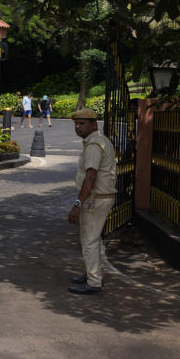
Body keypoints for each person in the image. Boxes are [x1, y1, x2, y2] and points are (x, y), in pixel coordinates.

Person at [67, 108, 117, 294]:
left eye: (82, 124)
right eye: (76, 124)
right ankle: (91, 273)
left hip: (96, 199)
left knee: (89, 240)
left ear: (94, 125)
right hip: (98, 197)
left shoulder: (95, 145)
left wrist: (78, 204)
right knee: (88, 238)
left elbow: (90, 177)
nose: (78, 127)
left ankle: (94, 282)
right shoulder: (98, 141)